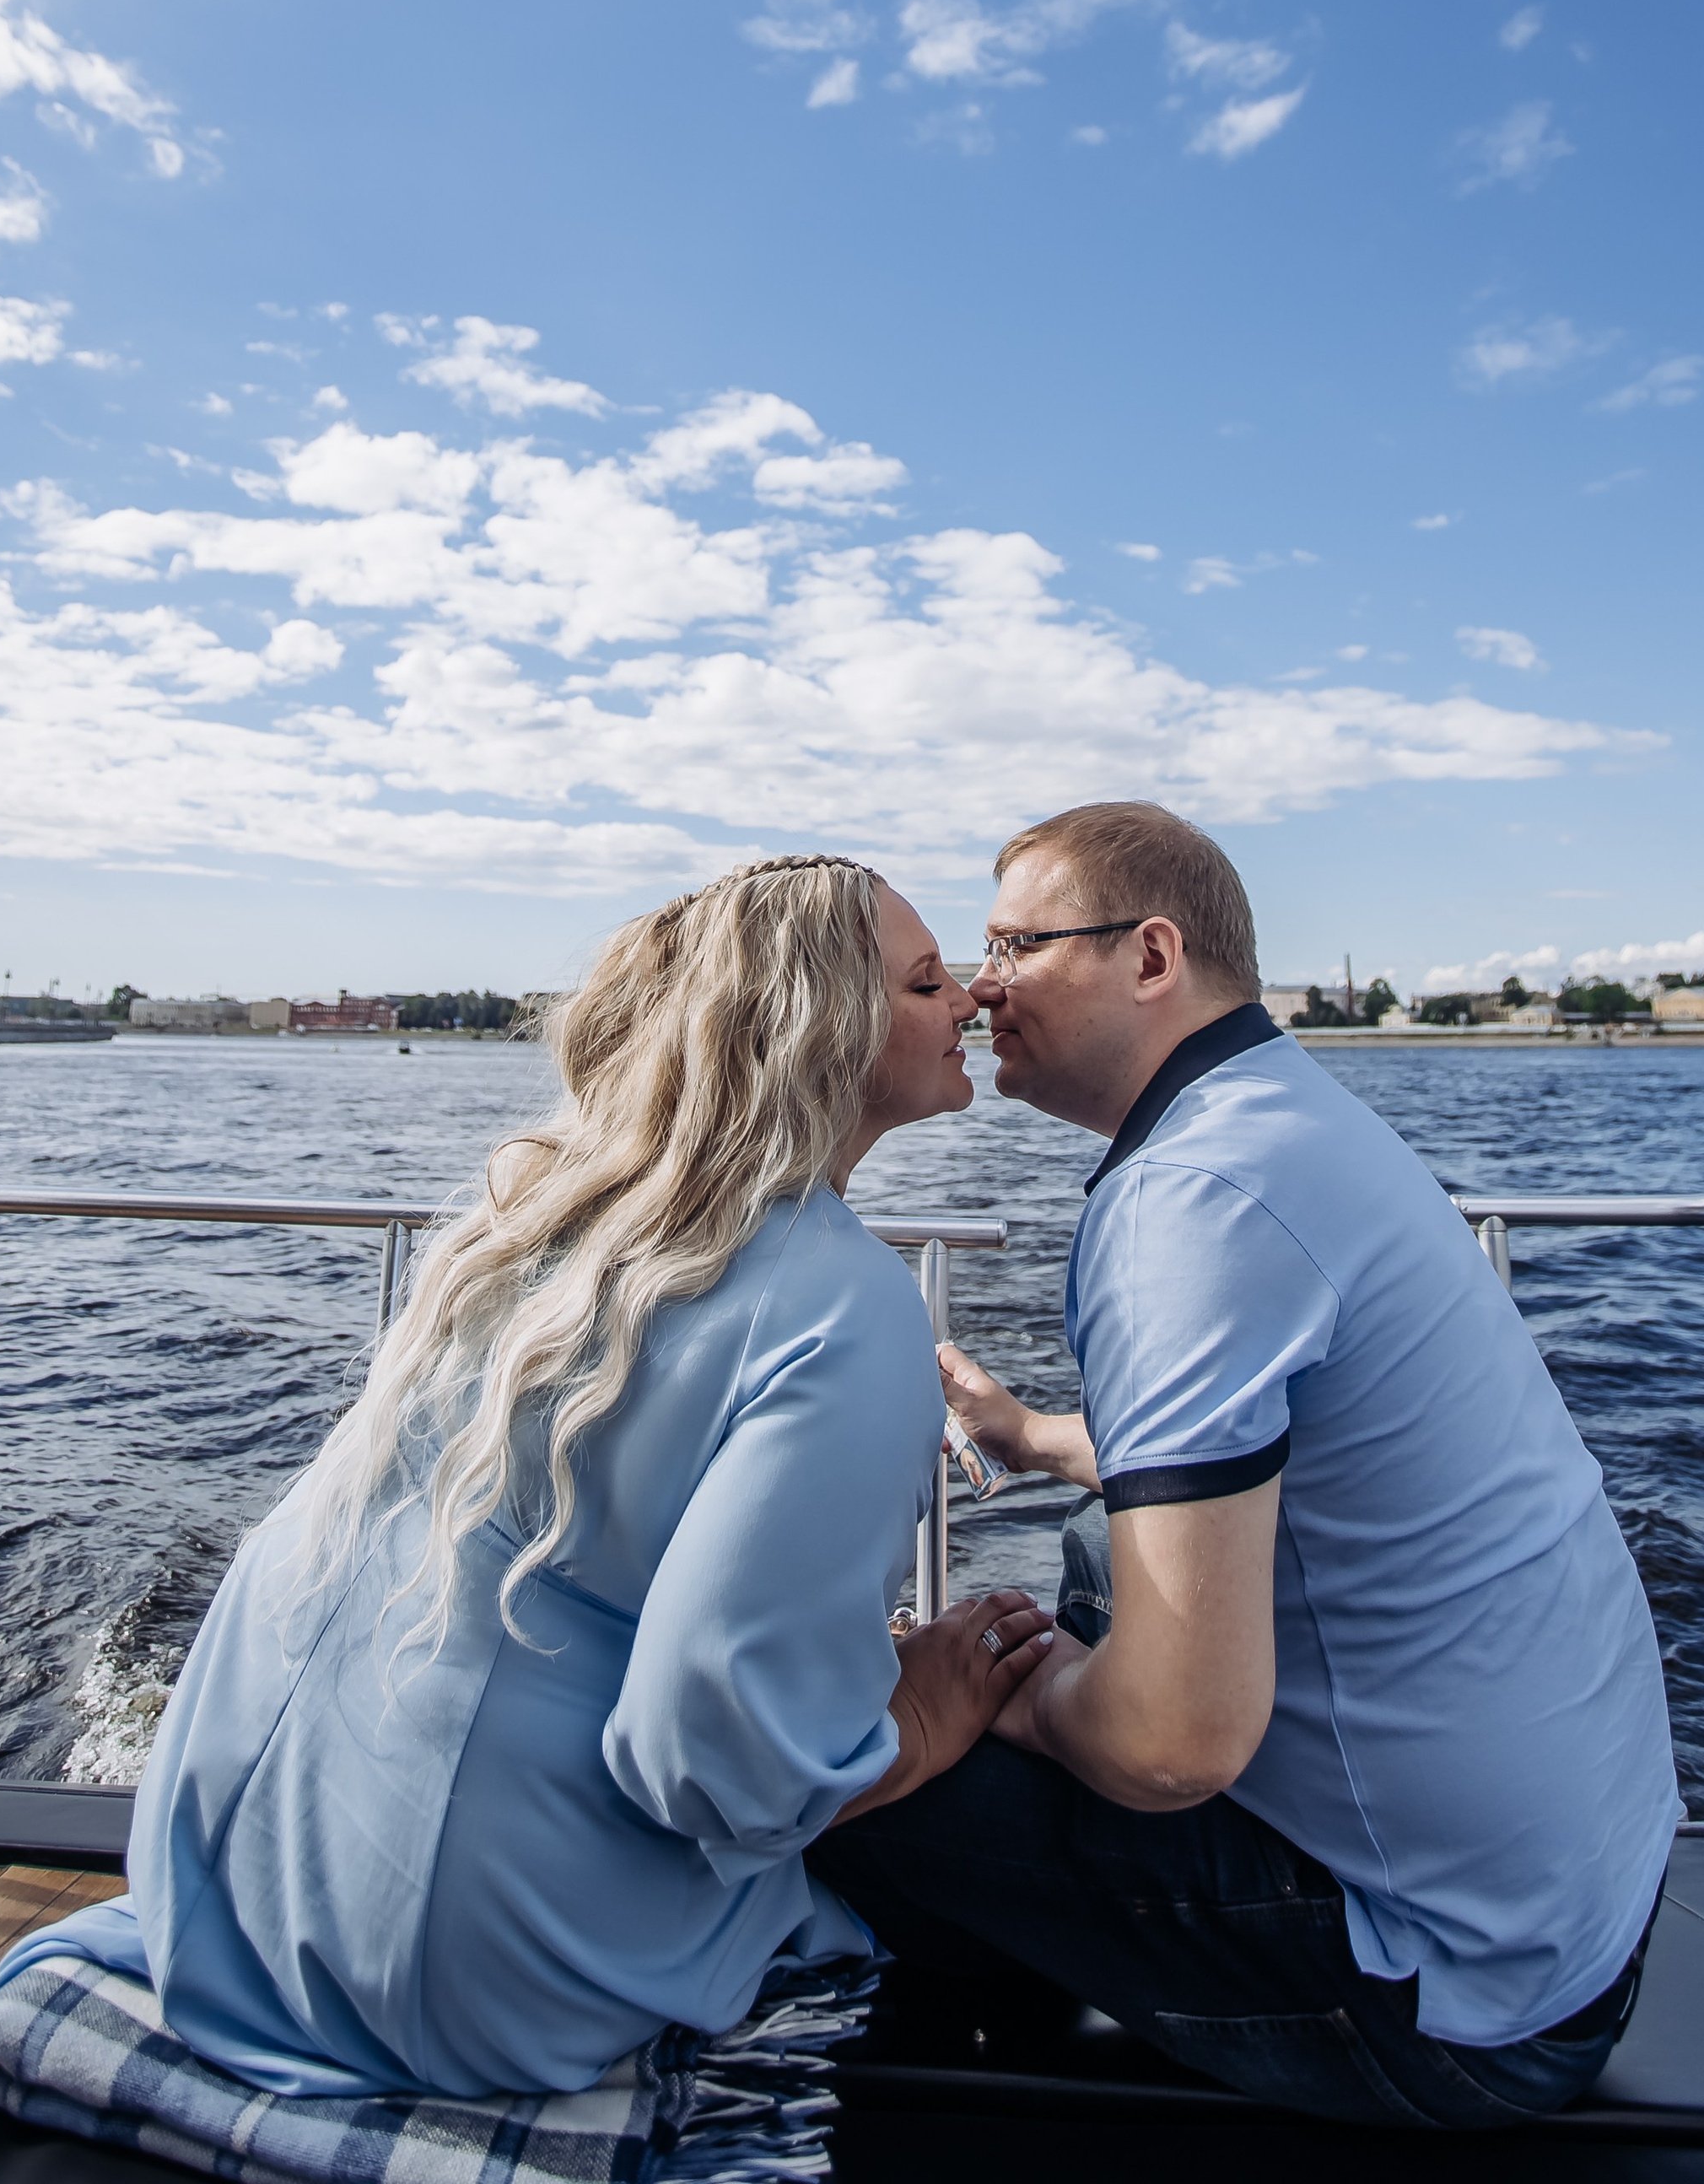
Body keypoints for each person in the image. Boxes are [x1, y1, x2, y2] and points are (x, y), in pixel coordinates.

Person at [114, 857, 1052, 2097]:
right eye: (930, 981)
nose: (973, 1002)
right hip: (459, 1982)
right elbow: (715, 1760)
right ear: (824, 1029)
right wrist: (916, 1721)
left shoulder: (538, 1224)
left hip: (214, 1899)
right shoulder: (847, 1304)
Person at [812, 802, 1680, 2128]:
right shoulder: (1282, 1120)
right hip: (1572, 1922)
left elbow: (1170, 1744)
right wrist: (1038, 1440)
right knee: (1099, 1566)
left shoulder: (1188, 1201)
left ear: (1150, 958)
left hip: (1449, 2001)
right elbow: (1285, 1454)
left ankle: (936, 2103)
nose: (982, 987)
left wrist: (995, 1694)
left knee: (828, 1774)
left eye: (1015, 946)